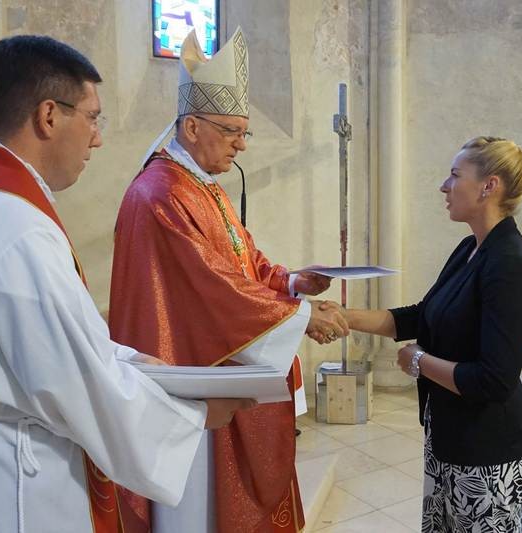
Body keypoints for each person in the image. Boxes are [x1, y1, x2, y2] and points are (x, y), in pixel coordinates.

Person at [0, 35, 254, 533]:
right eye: (93, 118)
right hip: (7, 476)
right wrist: (195, 414)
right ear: (48, 116)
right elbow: (75, 384)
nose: (97, 138)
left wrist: (131, 360)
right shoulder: (17, 228)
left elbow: (29, 345)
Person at [109, 28, 347, 533]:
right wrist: (300, 318)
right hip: (186, 374)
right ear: (192, 127)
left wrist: (292, 283)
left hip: (213, 362)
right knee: (197, 505)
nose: (241, 144)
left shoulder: (202, 185)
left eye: (245, 133)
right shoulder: (161, 193)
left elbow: (243, 261)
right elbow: (211, 286)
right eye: (233, 131)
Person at [324, 137, 522, 532]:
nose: (444, 185)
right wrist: (344, 316)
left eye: (455, 175)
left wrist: (419, 361)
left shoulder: (509, 262)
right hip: (449, 435)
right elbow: (423, 316)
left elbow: (493, 380)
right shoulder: (470, 249)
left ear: (489, 186)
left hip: (489, 451)